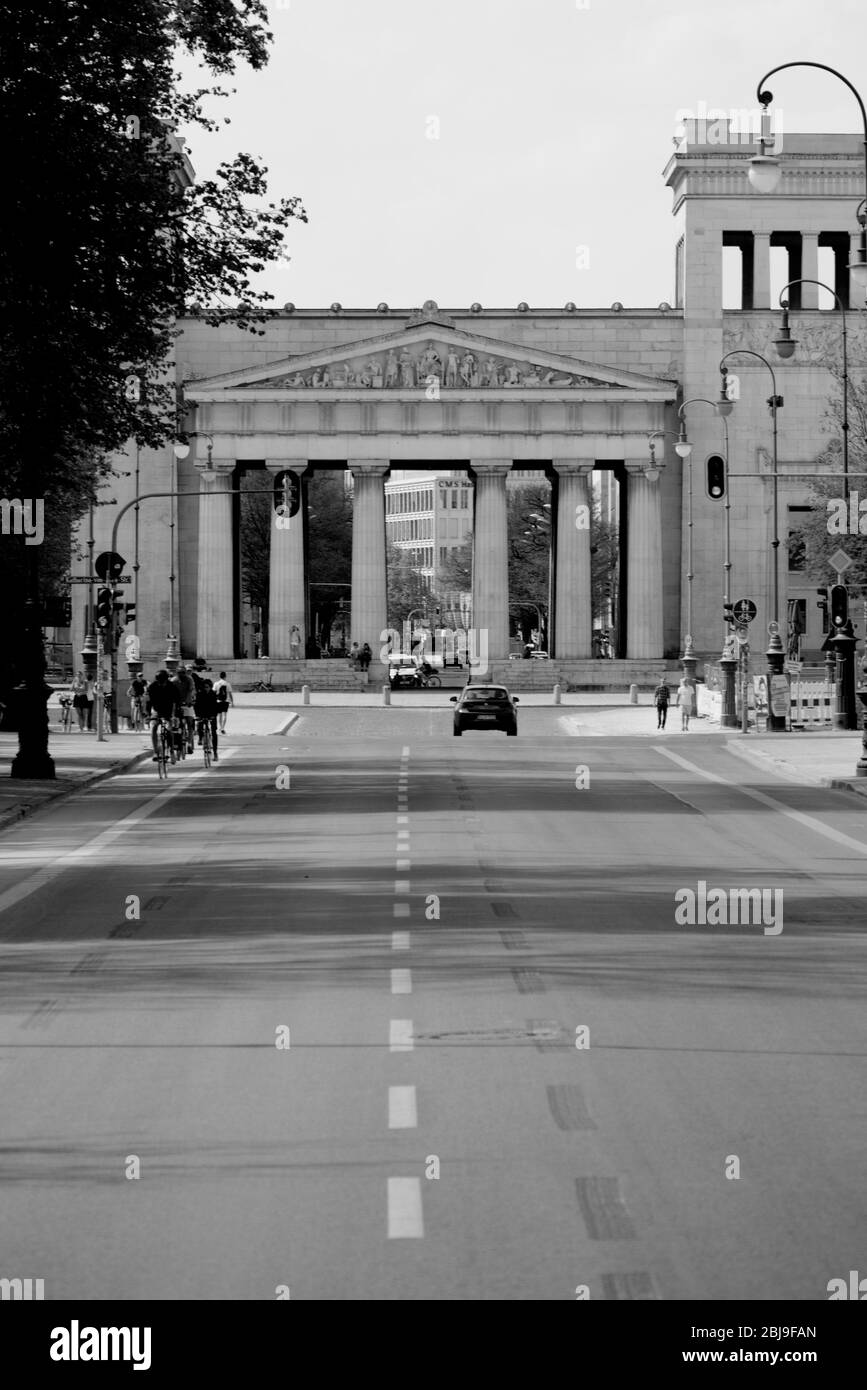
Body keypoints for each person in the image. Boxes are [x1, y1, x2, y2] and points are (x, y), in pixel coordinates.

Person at [146, 669, 181, 761]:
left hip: (168, 709)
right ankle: (155, 751)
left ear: (166, 680)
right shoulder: (152, 686)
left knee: (169, 729)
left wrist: (175, 715)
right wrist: (148, 715)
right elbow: (149, 702)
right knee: (153, 728)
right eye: (159, 682)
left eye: (163, 682)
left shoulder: (172, 686)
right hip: (156, 709)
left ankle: (172, 751)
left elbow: (177, 701)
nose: (162, 684)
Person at [171, 663, 197, 754]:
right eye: (179, 673)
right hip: (177, 703)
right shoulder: (173, 681)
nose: (181, 674)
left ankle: (189, 743)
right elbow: (170, 693)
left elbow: (191, 691)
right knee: (175, 724)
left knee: (190, 722)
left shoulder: (189, 679)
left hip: (187, 702)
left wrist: (189, 701)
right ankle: (176, 741)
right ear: (176, 673)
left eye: (183, 672)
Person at [194, 678, 219, 761]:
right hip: (202, 713)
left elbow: (216, 706)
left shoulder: (213, 694)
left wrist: (214, 715)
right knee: (199, 726)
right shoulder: (200, 694)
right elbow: (196, 705)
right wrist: (197, 716)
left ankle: (215, 752)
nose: (206, 688)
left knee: (214, 732)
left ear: (210, 687)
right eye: (204, 687)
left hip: (211, 714)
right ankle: (201, 737)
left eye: (207, 687)